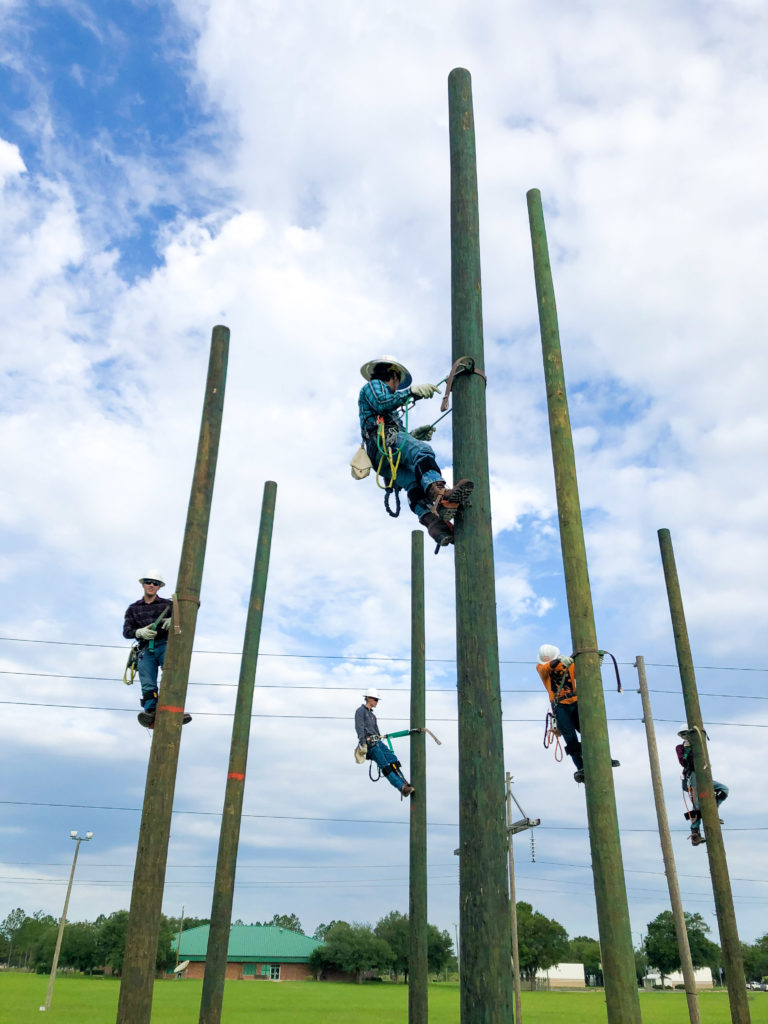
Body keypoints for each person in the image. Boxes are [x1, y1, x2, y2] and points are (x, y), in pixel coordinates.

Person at [358, 355, 473, 548]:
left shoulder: (390, 410)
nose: (398, 385)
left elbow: (398, 435)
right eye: (398, 381)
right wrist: (411, 392)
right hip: (383, 443)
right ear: (393, 374)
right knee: (423, 451)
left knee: (413, 482)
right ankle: (440, 494)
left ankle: (435, 525)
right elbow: (383, 403)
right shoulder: (374, 386)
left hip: (383, 456)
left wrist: (415, 434)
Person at [537, 643, 620, 784]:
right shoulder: (542, 668)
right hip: (560, 706)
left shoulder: (569, 665)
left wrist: (594, 662)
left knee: (591, 731)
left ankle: (604, 758)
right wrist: (559, 661)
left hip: (575, 702)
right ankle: (581, 767)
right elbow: (547, 667)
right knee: (571, 739)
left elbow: (583, 673)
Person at [122, 573, 190, 728]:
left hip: (165, 644)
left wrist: (173, 620)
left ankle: (176, 709)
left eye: (155, 583)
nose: (151, 585)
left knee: (172, 675)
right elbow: (126, 632)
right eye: (148, 582)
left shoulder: (168, 605)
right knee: (147, 682)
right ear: (143, 584)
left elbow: (187, 616)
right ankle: (150, 711)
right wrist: (139, 632)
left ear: (159, 586)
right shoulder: (133, 608)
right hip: (146, 648)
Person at [354, 687, 414, 797]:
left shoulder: (372, 715)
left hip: (378, 742)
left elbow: (377, 731)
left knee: (393, 760)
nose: (377, 702)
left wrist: (379, 738)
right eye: (375, 699)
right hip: (370, 745)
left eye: (377, 700)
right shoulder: (360, 711)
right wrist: (363, 743)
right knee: (385, 766)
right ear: (368, 698)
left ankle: (404, 781)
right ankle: (402, 788)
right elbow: (359, 728)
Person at [676, 729, 728, 846]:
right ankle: (695, 833)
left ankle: (713, 812)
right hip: (692, 775)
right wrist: (688, 749)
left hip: (703, 775)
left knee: (724, 789)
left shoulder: (699, 745)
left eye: (687, 734)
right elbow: (684, 762)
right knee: (698, 805)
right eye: (684, 734)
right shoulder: (680, 747)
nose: (686, 736)